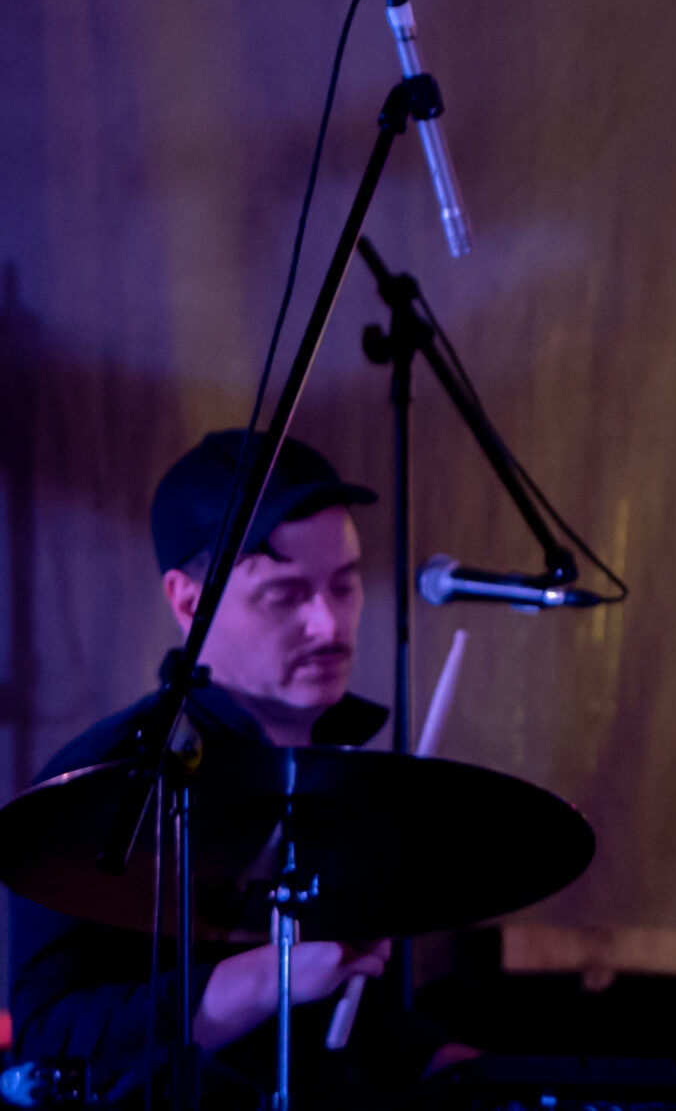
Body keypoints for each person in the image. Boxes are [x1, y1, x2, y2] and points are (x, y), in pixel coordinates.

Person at [7, 430, 459, 1107]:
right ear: (188, 601)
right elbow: (50, 1041)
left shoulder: (345, 781)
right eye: (285, 594)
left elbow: (340, 1030)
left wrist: (461, 1064)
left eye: (345, 585)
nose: (329, 624)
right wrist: (265, 977)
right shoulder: (100, 788)